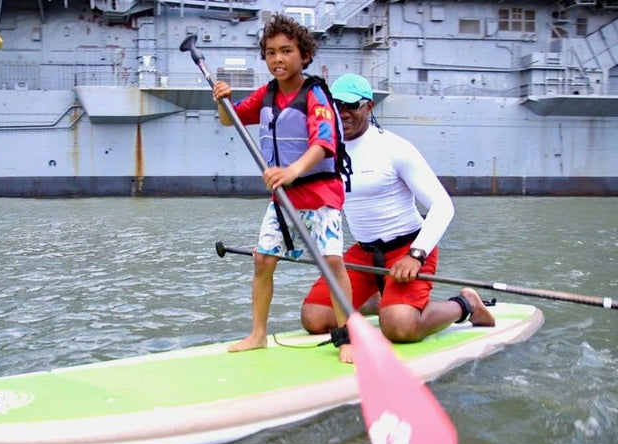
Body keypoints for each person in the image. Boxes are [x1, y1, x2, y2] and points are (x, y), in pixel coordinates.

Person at [301, 73, 496, 342]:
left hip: (407, 248)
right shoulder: (325, 151)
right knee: (314, 317)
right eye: (337, 105)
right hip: (363, 252)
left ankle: (466, 305)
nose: (343, 112)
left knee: (400, 327)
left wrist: (416, 255)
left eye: (351, 105)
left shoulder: (394, 148)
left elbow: (443, 205)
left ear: (369, 106)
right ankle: (381, 300)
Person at [212, 14, 354, 362]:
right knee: (262, 260)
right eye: (271, 52)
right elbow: (230, 119)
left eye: (286, 51)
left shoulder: (315, 94)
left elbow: (324, 144)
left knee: (332, 262)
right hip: (284, 196)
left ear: (304, 55)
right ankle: (258, 334)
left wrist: (292, 170)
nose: (278, 59)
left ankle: (348, 337)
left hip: (320, 194)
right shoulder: (267, 94)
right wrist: (222, 100)